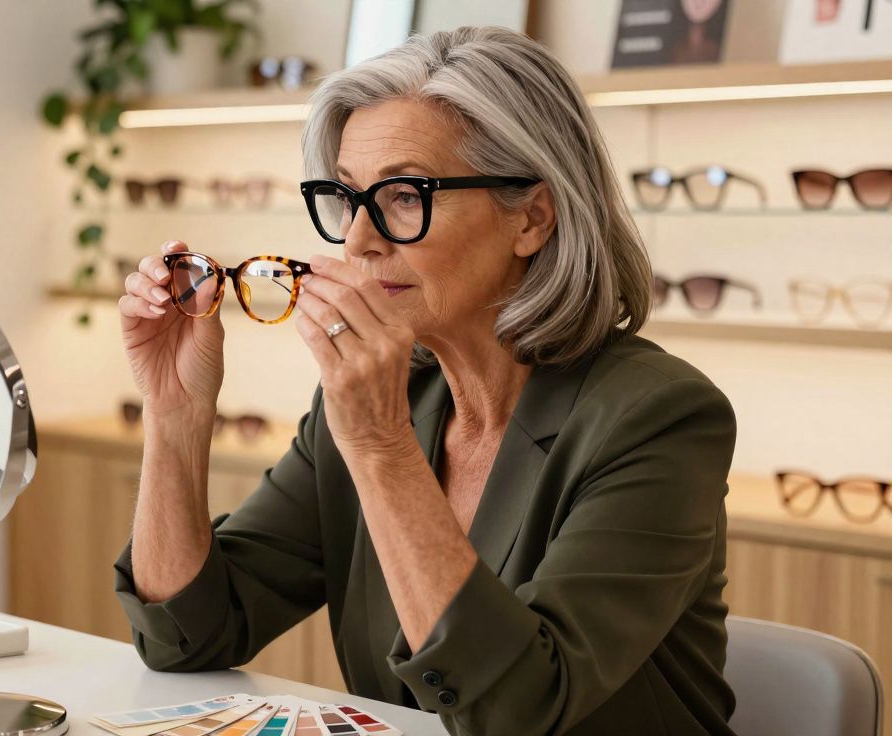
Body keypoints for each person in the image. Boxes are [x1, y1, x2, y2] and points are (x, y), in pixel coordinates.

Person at [114, 26, 737, 736]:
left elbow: (518, 710)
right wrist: (175, 414)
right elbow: (186, 636)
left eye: (405, 196)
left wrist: (381, 445)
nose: (358, 240)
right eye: (347, 197)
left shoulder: (660, 416)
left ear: (531, 218)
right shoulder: (388, 398)